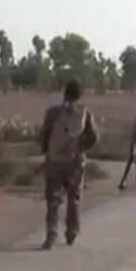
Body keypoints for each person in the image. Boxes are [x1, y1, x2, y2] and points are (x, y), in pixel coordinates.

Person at [38, 80, 99, 250]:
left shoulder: (52, 113)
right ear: (80, 95)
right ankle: (71, 233)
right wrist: (80, 148)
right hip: (75, 163)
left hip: (55, 162)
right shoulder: (84, 114)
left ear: (64, 93)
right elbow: (94, 137)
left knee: (53, 199)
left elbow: (44, 136)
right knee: (74, 199)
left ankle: (51, 235)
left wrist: (47, 153)